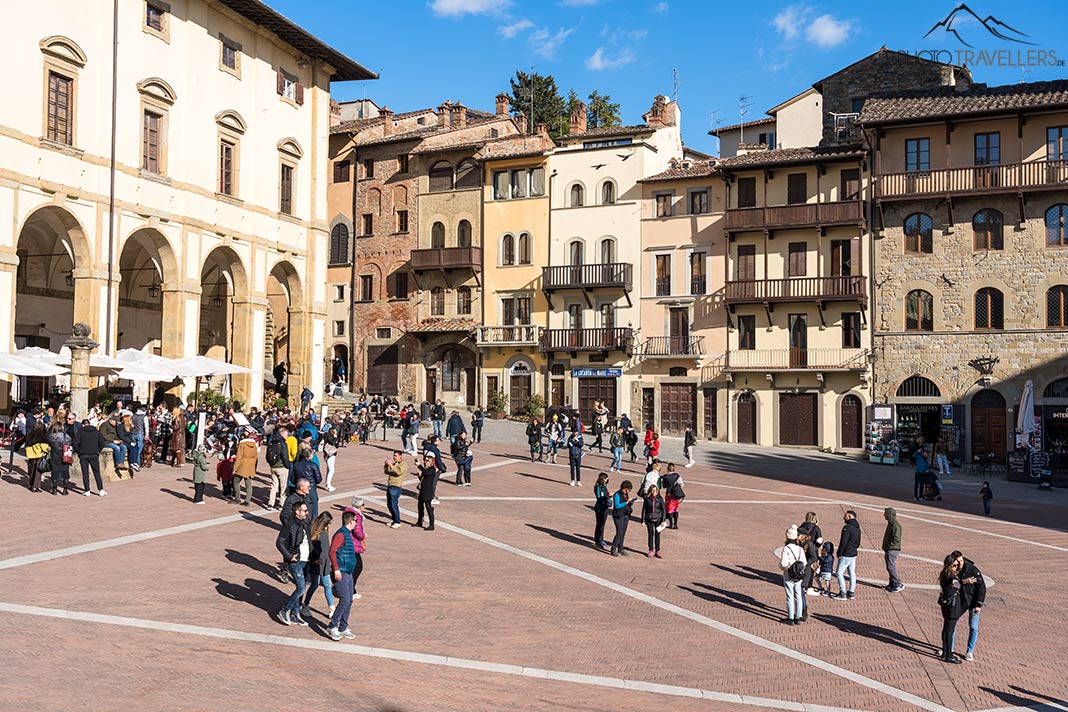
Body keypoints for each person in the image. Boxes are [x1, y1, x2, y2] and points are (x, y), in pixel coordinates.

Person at [326, 508, 364, 641]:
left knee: (349, 600)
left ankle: (343, 627)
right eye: (355, 521)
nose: (356, 524)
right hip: (341, 571)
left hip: (348, 572)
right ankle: (332, 626)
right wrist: (336, 569)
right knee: (344, 600)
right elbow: (332, 552)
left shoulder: (348, 534)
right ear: (350, 521)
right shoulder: (341, 534)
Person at [276, 501, 312, 626]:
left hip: (306, 559)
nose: (307, 513)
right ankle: (285, 610)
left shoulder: (305, 522)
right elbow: (280, 542)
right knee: (301, 587)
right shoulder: (290, 525)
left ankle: (295, 614)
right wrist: (289, 556)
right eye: (305, 511)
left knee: (301, 588)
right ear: (297, 512)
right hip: (296, 560)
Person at [949, 550, 985, 662]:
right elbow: (951, 582)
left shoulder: (972, 569)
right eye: (957, 561)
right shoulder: (953, 568)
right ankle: (949, 648)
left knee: (973, 626)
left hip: (973, 602)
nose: (960, 563)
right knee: (952, 623)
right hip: (961, 600)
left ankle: (970, 651)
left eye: (961, 560)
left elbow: (981, 587)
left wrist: (979, 604)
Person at [301, 512, 336, 620]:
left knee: (326, 584)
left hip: (325, 563)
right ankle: (305, 604)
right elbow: (312, 549)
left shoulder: (324, 532)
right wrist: (315, 559)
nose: (329, 525)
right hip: (317, 563)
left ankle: (331, 607)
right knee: (315, 585)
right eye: (328, 523)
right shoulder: (316, 534)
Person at [937, 554, 965, 663]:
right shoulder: (950, 577)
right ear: (949, 565)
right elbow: (959, 583)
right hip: (952, 606)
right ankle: (949, 654)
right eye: (954, 565)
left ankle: (945, 652)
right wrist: (966, 581)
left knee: (946, 629)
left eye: (957, 565)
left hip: (946, 605)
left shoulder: (944, 574)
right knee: (949, 630)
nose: (956, 567)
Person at [779, 525, 807, 625]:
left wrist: (783, 567)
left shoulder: (786, 549)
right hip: (798, 574)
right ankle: (798, 617)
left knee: (790, 596)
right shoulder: (800, 549)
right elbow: (804, 562)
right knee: (798, 595)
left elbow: (783, 563)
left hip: (789, 574)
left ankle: (790, 617)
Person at [73, 418, 107, 497]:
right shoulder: (96, 432)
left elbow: (75, 443)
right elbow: (102, 443)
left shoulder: (80, 432)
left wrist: (79, 451)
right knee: (97, 472)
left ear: (83, 425)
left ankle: (87, 490)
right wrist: (98, 451)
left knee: (85, 473)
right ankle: (101, 490)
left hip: (83, 454)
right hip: (94, 454)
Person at [833, 510, 860, 600]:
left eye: (845, 516)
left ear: (849, 516)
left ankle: (842, 592)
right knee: (852, 573)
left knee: (839, 573)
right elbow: (858, 542)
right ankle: (851, 591)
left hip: (846, 554)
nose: (844, 518)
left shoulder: (847, 528)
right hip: (853, 553)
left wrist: (839, 553)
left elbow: (843, 542)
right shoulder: (857, 528)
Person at [264, 425, 291, 511]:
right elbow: (285, 456)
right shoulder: (283, 443)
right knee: (283, 486)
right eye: (286, 434)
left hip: (273, 466)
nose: (287, 436)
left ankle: (270, 503)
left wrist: (270, 464)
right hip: (282, 466)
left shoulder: (272, 441)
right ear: (282, 433)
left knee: (274, 485)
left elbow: (267, 455)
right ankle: (281, 503)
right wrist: (287, 466)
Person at [292, 449, 322, 519]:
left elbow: (292, 480)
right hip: (311, 489)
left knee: (300, 507)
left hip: (300, 489)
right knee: (314, 508)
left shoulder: (296, 465)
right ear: (309, 456)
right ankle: (313, 524)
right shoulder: (313, 465)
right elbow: (319, 479)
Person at [232, 428, 259, 506]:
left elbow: (239, 457)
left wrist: (235, 468)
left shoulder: (242, 444)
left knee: (236, 482)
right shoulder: (254, 445)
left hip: (242, 465)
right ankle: (247, 500)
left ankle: (237, 498)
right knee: (248, 484)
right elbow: (256, 457)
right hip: (251, 466)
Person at [46, 418, 72, 495]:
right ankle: (65, 489)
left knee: (55, 472)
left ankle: (54, 489)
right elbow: (69, 443)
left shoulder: (51, 436)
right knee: (65, 472)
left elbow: (49, 441)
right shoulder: (66, 436)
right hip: (65, 454)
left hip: (55, 455)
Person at [610, 480, 635, 557]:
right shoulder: (617, 494)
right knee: (619, 532)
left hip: (625, 515)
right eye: (626, 490)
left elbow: (626, 504)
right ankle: (613, 547)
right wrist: (626, 503)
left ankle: (621, 548)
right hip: (618, 515)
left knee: (623, 533)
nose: (627, 492)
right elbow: (617, 506)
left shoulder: (626, 494)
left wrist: (630, 502)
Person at [882, 507, 904, 592]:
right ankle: (892, 583)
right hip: (890, 548)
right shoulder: (891, 523)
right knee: (889, 566)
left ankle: (898, 583)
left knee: (891, 567)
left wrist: (889, 546)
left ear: (889, 514)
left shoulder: (895, 525)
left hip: (892, 549)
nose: (884, 514)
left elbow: (896, 538)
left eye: (885, 513)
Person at [642, 484, 666, 558]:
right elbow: (644, 510)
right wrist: (643, 520)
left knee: (657, 534)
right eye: (653, 490)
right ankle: (650, 550)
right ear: (650, 491)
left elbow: (664, 510)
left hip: (658, 519)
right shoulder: (647, 498)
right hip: (649, 519)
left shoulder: (660, 498)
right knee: (650, 534)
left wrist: (663, 520)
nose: (654, 492)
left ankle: (657, 550)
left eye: (655, 490)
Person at [25, 420, 50, 492]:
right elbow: (44, 446)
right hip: (39, 455)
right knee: (38, 472)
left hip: (31, 455)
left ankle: (30, 484)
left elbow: (27, 444)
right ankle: (36, 486)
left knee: (32, 470)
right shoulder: (42, 435)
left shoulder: (30, 434)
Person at [384, 451, 407, 528]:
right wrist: (386, 465)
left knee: (394, 504)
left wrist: (390, 464)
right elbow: (386, 471)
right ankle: (394, 520)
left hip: (396, 486)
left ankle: (397, 521)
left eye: (396, 456)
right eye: (394, 456)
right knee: (389, 504)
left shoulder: (403, 464)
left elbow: (398, 472)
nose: (394, 457)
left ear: (400, 456)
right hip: (390, 485)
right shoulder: (394, 464)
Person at [416, 452, 439, 531]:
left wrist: (419, 465)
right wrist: (419, 476)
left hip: (428, 491)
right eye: (425, 461)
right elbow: (424, 479)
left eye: (427, 461)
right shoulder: (426, 469)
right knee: (420, 506)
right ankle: (419, 521)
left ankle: (431, 525)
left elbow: (427, 473)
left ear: (431, 461)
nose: (425, 462)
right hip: (422, 490)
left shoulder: (432, 469)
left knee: (428, 507)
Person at [660, 464, 684, 529]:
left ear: (668, 468)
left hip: (669, 494)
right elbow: (681, 484)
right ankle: (676, 524)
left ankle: (671, 524)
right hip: (675, 494)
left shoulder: (665, 476)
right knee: (676, 509)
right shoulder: (677, 475)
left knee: (669, 509)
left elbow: (664, 486)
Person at [593, 471, 611, 550]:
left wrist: (609, 497)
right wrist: (608, 496)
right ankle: (598, 540)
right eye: (606, 478)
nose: (607, 480)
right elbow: (599, 497)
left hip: (605, 507)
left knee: (602, 524)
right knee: (599, 524)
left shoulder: (604, 486)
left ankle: (601, 539)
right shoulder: (598, 486)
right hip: (600, 507)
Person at [321, 423, 340, 492]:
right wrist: (335, 438)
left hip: (333, 454)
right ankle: (328, 485)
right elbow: (332, 443)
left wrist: (336, 438)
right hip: (329, 454)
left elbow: (337, 445)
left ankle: (328, 484)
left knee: (329, 469)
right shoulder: (327, 436)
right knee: (332, 470)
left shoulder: (334, 437)